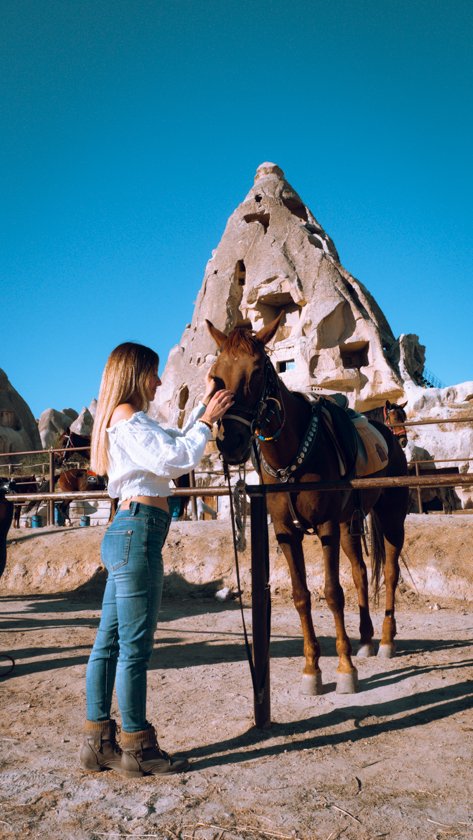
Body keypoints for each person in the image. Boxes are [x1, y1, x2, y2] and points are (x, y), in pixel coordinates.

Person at [80, 341, 233, 778]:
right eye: (153, 373)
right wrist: (205, 420)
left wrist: (204, 407)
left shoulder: (128, 420)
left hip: (129, 530)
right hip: (138, 533)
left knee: (108, 643)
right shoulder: (128, 418)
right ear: (134, 375)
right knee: (134, 648)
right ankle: (137, 747)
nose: (160, 380)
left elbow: (174, 442)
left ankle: (98, 744)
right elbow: (177, 458)